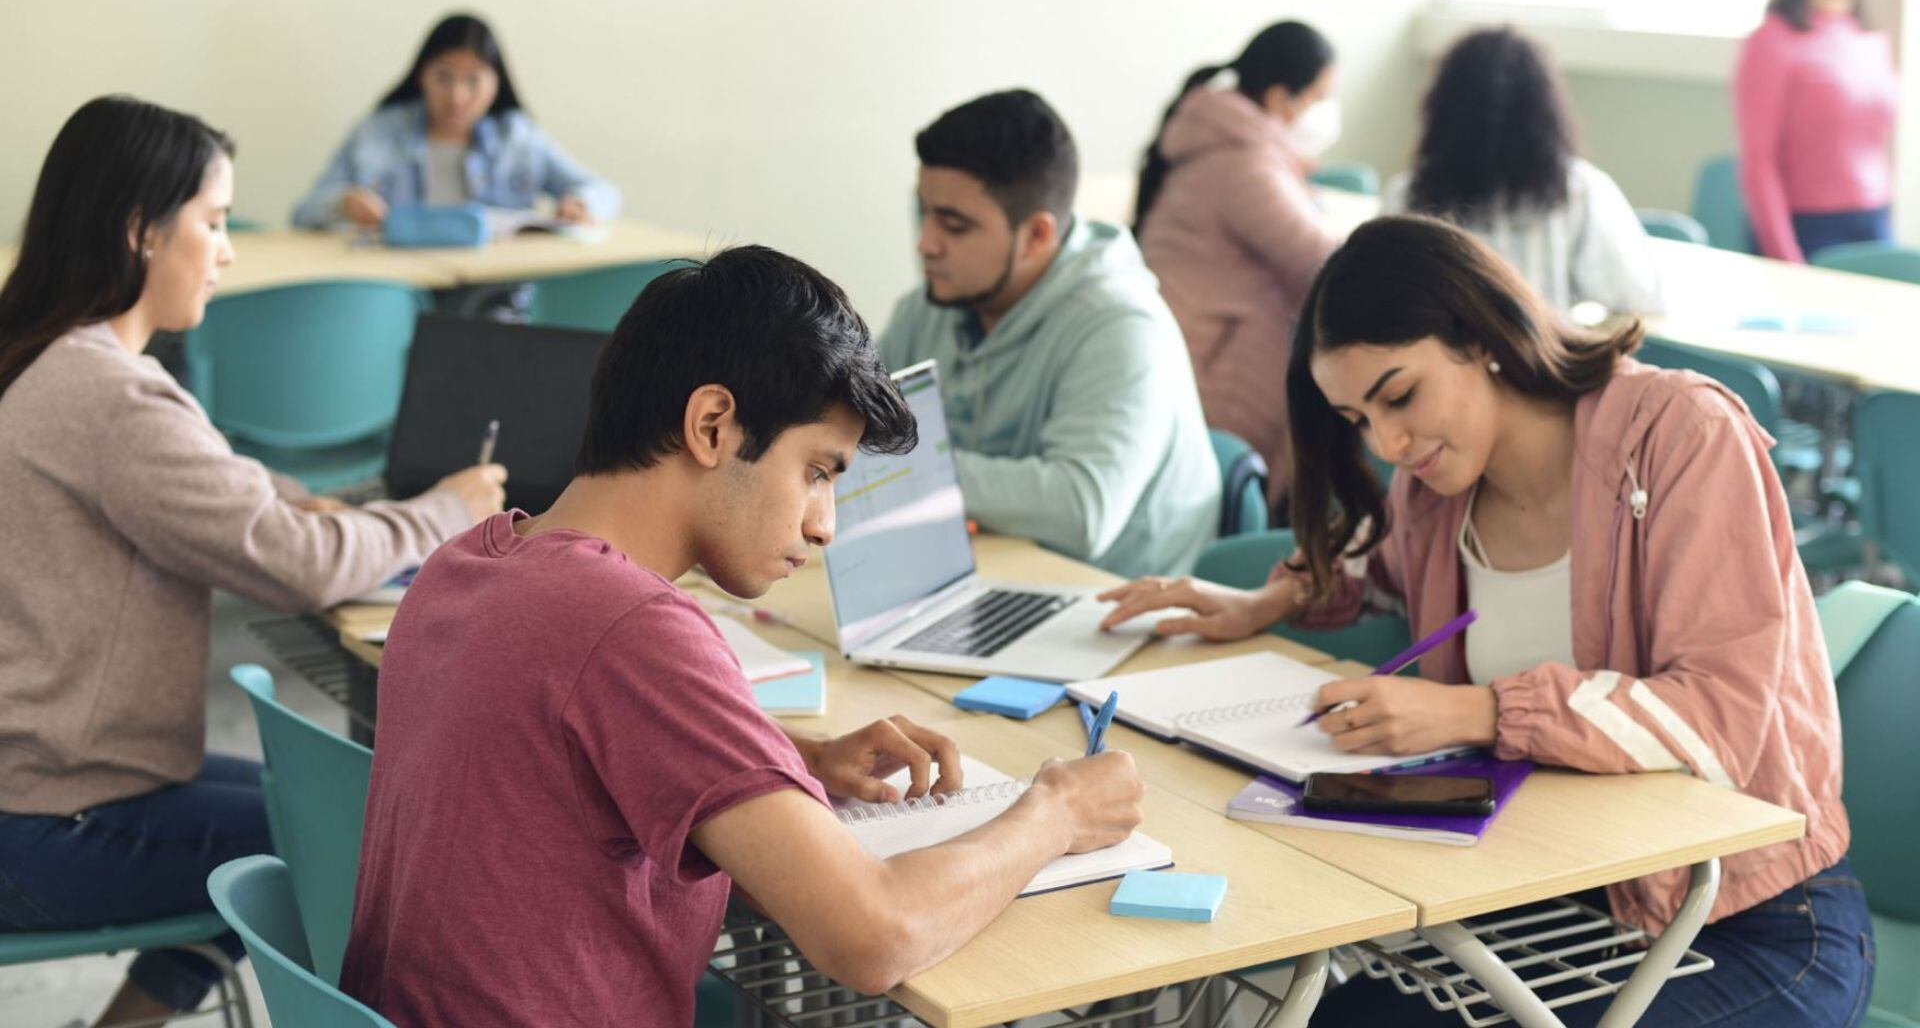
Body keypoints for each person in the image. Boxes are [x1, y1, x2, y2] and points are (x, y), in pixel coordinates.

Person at [340, 245, 1147, 1024]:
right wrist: (1057, 812)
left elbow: (561, 748)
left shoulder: (469, 560)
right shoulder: (630, 628)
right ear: (713, 425)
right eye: (819, 472)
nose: (825, 524)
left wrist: (786, 760)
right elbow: (872, 936)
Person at [1099, 216, 1870, 1024]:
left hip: (1754, 920)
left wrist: (1483, 710)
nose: (1389, 442)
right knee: (1340, 1019)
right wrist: (1262, 604)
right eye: (1359, 419)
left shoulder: (1682, 436)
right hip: (1556, 895)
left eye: (1399, 395)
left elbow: (1723, 714)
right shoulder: (1435, 489)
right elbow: (1380, 566)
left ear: (1482, 336)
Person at [0, 95, 504, 1027]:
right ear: (140, 232)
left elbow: (191, 476)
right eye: (216, 221)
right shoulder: (111, 397)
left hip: (38, 794)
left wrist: (276, 490)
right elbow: (301, 566)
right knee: (354, 833)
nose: (227, 250)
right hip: (51, 824)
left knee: (317, 795)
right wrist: (444, 510)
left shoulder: (46, 359)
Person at [879, 89, 1218, 578]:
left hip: (1117, 611)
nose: (926, 243)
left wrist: (906, 469)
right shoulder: (930, 307)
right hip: (983, 578)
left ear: (1038, 236)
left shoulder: (1121, 327)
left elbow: (1081, 510)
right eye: (924, 212)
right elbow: (854, 427)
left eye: (954, 226)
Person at [1135, 21, 1344, 501]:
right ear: (1277, 98)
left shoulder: (1234, 146)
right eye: (1319, 96)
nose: (1327, 113)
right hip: (1217, 366)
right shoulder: (1241, 162)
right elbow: (1320, 258)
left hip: (1203, 350)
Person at [1383, 27, 1660, 319]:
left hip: (1435, 363)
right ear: (1546, 114)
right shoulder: (1579, 190)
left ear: (1440, 110)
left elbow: (1380, 293)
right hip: (1539, 360)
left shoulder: (1406, 194)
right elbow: (1636, 295)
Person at [291, 12, 619, 230]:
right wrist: (342, 203)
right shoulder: (377, 132)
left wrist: (580, 204)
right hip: (403, 286)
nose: (457, 96)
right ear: (422, 76)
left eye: (473, 81)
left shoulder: (517, 136)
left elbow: (603, 191)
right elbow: (303, 212)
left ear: (496, 83)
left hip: (494, 290)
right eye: (443, 77)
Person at [1737, 0, 1897, 262]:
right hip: (1808, 229)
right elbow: (1758, 163)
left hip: (1875, 221)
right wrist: (1785, 258)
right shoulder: (1771, 41)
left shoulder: (1872, 40)